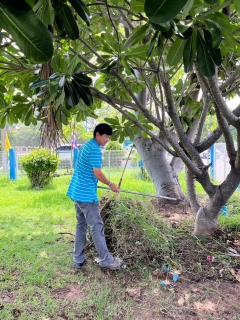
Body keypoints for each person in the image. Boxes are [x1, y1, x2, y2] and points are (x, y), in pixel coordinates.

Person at [67, 123, 125, 271]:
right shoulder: (94, 150)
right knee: (96, 227)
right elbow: (97, 174)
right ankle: (106, 260)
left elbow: (85, 170)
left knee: (81, 225)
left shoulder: (87, 145)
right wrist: (111, 184)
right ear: (97, 134)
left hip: (77, 192)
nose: (107, 140)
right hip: (86, 196)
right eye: (106, 136)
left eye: (109, 137)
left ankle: (78, 258)